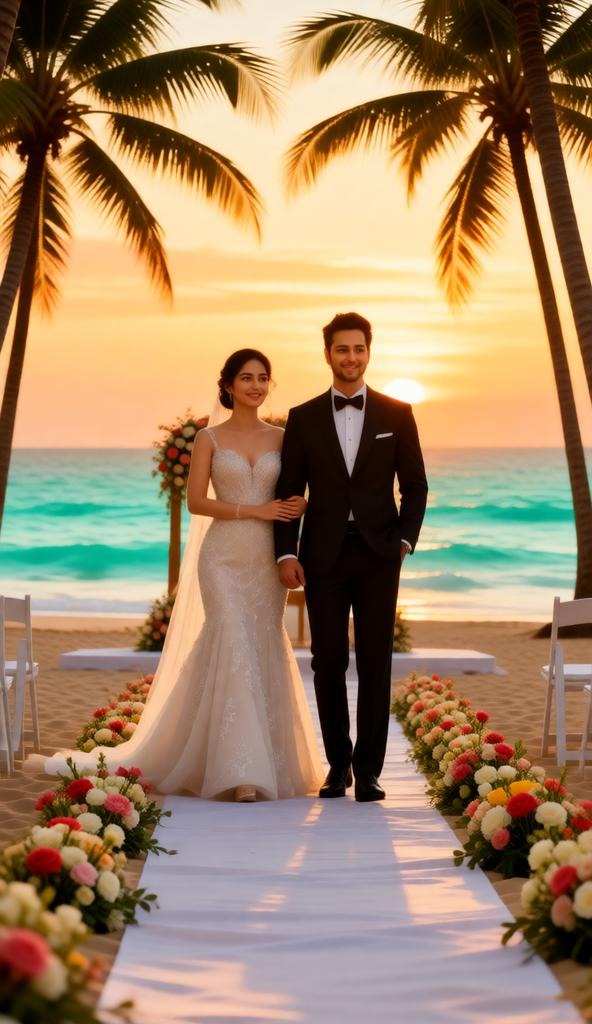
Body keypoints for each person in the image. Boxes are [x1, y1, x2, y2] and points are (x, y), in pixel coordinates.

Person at [33, 350, 323, 802]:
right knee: (230, 639)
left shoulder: (285, 439)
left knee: (261, 643)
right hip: (222, 557)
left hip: (265, 561)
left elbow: (299, 492)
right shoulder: (209, 437)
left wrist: (297, 506)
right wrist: (254, 509)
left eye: (263, 378)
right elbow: (196, 503)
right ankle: (241, 773)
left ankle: (261, 761)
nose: (255, 386)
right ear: (227, 385)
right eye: (246, 378)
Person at [274, 312, 428, 802]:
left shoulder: (397, 413)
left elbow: (416, 486)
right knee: (327, 661)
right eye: (342, 349)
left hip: (380, 553)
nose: (351, 357)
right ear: (327, 354)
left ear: (369, 351)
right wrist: (284, 552)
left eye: (358, 349)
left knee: (377, 662)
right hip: (322, 555)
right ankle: (338, 765)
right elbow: (288, 490)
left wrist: (404, 540)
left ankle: (370, 772)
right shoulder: (302, 417)